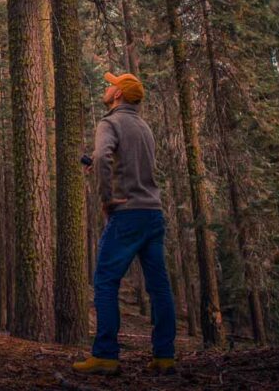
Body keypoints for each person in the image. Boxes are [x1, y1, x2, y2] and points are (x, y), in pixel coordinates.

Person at [72, 72, 176, 376]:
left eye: (111, 83)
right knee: (159, 287)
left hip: (126, 214)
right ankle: (165, 355)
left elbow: (105, 156)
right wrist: (101, 165)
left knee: (105, 280)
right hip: (152, 213)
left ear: (119, 94)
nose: (108, 86)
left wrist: (107, 198)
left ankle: (105, 355)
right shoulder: (144, 127)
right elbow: (126, 162)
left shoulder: (110, 123)